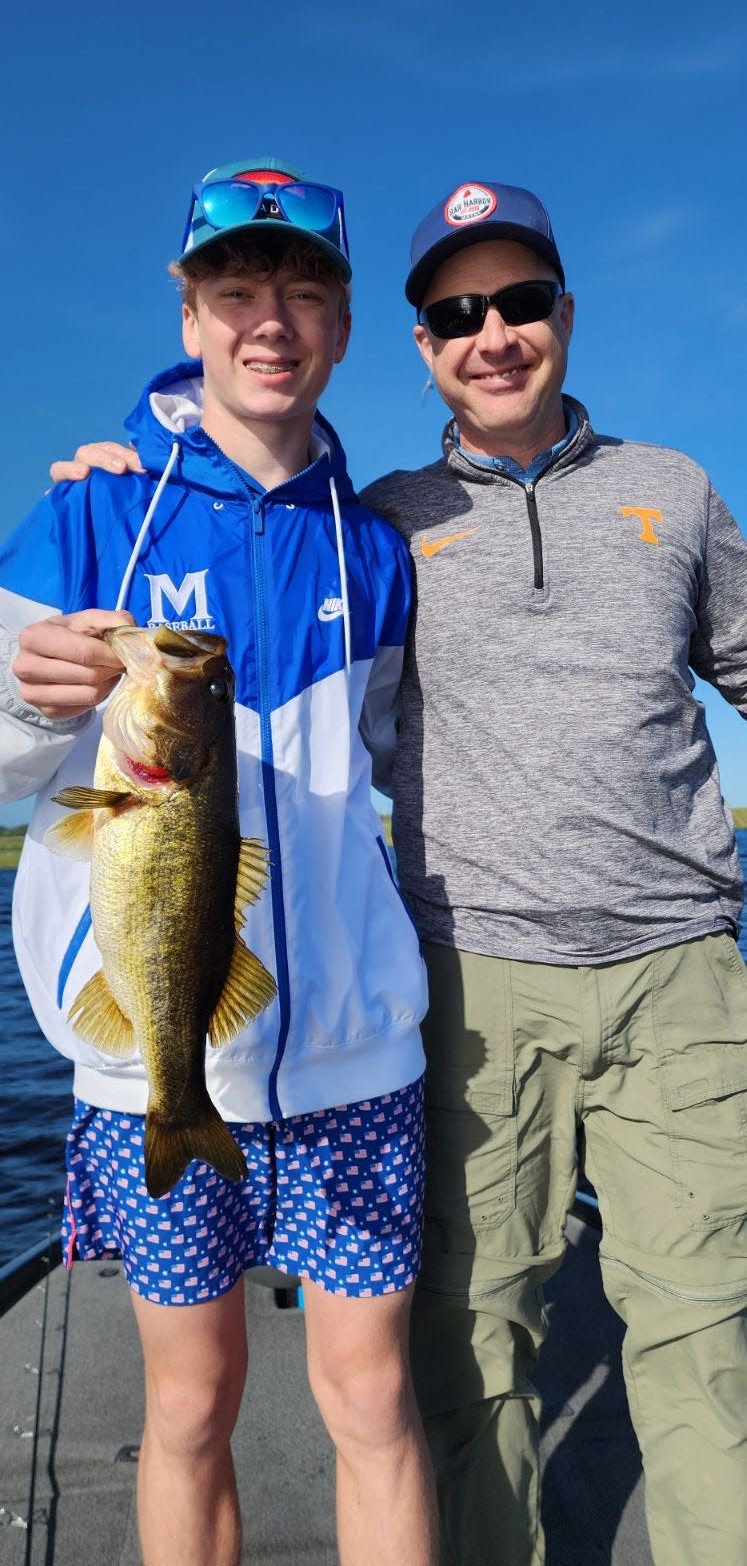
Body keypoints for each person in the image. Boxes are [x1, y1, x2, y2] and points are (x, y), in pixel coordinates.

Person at [58, 177, 747, 1566]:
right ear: (420, 343)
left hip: (680, 973)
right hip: (474, 979)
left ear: (564, 314)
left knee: (708, 1331)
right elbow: (242, 501)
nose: (493, 333)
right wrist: (135, 450)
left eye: (522, 302)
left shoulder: (674, 490)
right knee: (469, 1344)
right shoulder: (381, 523)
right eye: (457, 311)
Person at [0, 156, 438, 1566]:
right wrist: (26, 700)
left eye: (305, 293)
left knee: (374, 1398)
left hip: (356, 1067)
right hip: (149, 1067)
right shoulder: (87, 517)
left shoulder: (375, 548)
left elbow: (405, 769)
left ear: (345, 328)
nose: (271, 321)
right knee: (191, 1407)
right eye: (237, 290)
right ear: (188, 317)